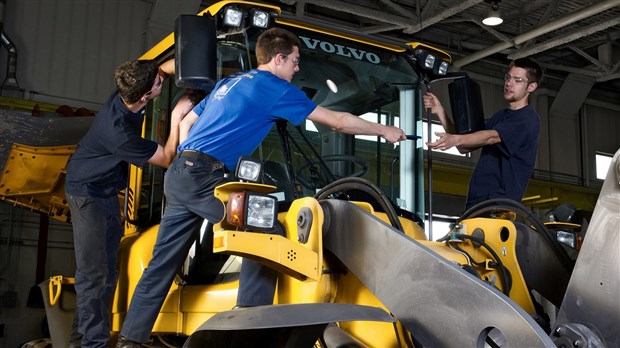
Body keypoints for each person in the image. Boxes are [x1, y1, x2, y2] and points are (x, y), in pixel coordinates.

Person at [115, 27, 406, 347]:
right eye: (295, 61)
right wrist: (383, 129)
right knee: (264, 230)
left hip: (184, 173)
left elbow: (186, 123)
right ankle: (250, 322)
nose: (297, 68)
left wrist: (187, 161)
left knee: (163, 263)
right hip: (204, 175)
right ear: (278, 59)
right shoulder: (275, 88)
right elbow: (337, 122)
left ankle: (130, 340)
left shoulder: (231, 82)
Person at [65, 58, 195, 347]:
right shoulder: (118, 132)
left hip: (106, 191)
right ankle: (92, 345)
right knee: (95, 275)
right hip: (88, 194)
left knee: (105, 272)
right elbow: (166, 158)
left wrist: (195, 68)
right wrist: (177, 116)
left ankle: (79, 341)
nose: (163, 80)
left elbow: (161, 69)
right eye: (159, 84)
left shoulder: (129, 89)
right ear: (146, 96)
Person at [423, 57, 543, 210]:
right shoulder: (500, 117)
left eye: (517, 80)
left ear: (531, 87)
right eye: (508, 77)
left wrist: (455, 139)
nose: (509, 83)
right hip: (476, 199)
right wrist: (440, 111)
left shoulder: (528, 119)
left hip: (499, 202)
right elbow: (464, 146)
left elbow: (491, 137)